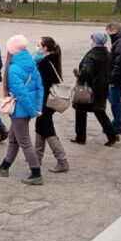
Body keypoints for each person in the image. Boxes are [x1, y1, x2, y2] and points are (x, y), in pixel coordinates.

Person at [0, 35, 45, 185]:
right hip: (27, 109)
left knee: (24, 142)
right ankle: (4, 166)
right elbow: (39, 87)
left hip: (20, 111)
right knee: (13, 139)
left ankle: (36, 173)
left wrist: (31, 111)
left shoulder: (13, 68)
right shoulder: (31, 62)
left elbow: (20, 92)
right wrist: (37, 108)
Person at [71, 32, 119, 146]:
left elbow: (87, 72)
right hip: (102, 87)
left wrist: (79, 75)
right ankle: (112, 135)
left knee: (81, 110)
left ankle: (80, 137)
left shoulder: (92, 55)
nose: (91, 41)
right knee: (99, 111)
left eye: (93, 39)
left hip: (89, 88)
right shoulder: (107, 54)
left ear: (96, 41)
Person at [33, 37, 69, 173]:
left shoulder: (45, 63)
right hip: (47, 101)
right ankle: (37, 158)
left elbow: (43, 84)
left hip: (46, 101)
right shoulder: (49, 60)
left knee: (47, 129)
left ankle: (62, 160)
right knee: (40, 127)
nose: (36, 47)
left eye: (38, 44)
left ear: (45, 48)